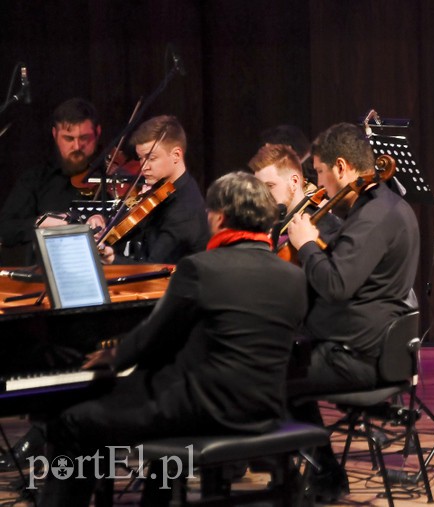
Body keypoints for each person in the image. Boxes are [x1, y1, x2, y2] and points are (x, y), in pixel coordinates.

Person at [37, 171, 308, 506]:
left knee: (74, 420)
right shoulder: (295, 277)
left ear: (219, 217)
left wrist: (114, 358)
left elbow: (151, 337)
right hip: (263, 409)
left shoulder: (199, 268)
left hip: (204, 411)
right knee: (141, 395)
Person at [285, 122, 420, 502]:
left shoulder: (376, 214)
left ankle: (312, 478)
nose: (321, 185)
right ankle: (319, 474)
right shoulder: (382, 205)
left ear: (341, 168)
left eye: (321, 174)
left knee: (264, 376)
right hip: (366, 346)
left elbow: (336, 284)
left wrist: (307, 245)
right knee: (283, 367)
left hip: (359, 356)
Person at [0, 98, 102, 265]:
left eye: (84, 138)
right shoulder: (36, 179)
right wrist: (39, 223)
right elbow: (5, 228)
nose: (77, 146)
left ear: (98, 132)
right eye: (68, 138)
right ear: (55, 135)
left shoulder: (114, 176)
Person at [97, 115, 209, 264]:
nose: (144, 167)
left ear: (176, 155)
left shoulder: (183, 211)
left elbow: (154, 270)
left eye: (151, 158)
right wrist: (103, 221)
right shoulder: (161, 191)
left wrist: (112, 259)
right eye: (141, 158)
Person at [247, 142, 340, 249]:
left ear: (294, 182)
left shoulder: (327, 228)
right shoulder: (265, 229)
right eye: (259, 188)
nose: (262, 195)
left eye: (270, 186)